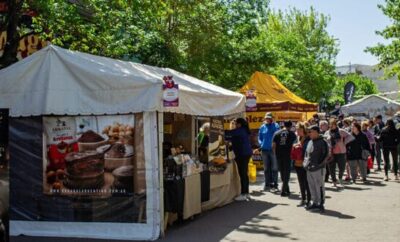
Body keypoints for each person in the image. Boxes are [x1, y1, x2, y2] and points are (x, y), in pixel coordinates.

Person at [225, 118, 253, 201]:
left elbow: (229, 133)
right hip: (245, 153)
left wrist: (218, 130)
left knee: (243, 173)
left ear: (240, 124)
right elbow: (232, 138)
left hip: (242, 154)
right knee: (244, 173)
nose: (235, 125)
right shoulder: (243, 130)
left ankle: (244, 194)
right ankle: (246, 193)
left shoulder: (240, 130)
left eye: (236, 123)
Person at [303, 125, 329, 213]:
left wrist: (319, 165)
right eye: (309, 132)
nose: (309, 133)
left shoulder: (323, 142)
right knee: (312, 186)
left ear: (317, 132)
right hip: (309, 168)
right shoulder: (310, 141)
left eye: (311, 131)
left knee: (320, 186)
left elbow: (326, 155)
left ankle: (321, 203)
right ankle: (314, 202)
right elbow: (307, 154)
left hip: (319, 168)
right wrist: (305, 164)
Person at [324, 118, 354, 188]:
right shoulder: (327, 132)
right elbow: (325, 140)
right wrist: (328, 140)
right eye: (330, 125)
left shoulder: (341, 131)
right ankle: (334, 181)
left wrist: (344, 142)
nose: (331, 126)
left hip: (341, 152)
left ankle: (340, 177)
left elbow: (350, 136)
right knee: (331, 168)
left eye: (332, 125)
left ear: (335, 124)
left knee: (342, 167)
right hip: (331, 152)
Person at [273, 120, 297, 197]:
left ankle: (287, 189)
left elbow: (273, 145)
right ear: (290, 126)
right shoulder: (292, 134)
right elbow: (295, 144)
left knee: (282, 173)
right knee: (287, 173)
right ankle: (283, 191)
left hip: (279, 155)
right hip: (288, 155)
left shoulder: (276, 133)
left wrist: (275, 154)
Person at [259, 112, 280, 192]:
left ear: (272, 118)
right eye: (266, 118)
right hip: (264, 150)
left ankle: (275, 185)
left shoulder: (276, 126)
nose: (267, 119)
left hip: (273, 150)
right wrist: (261, 144)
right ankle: (267, 184)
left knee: (274, 168)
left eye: (269, 118)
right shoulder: (262, 127)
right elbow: (260, 137)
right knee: (266, 168)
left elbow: (277, 136)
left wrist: (272, 124)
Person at [292, 122, 311, 206]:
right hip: (298, 163)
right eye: (297, 129)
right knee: (301, 182)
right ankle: (303, 199)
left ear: (304, 130)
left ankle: (309, 200)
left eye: (299, 129)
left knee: (307, 182)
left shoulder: (308, 139)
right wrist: (295, 146)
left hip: (306, 163)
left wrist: (299, 147)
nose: (298, 131)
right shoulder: (298, 138)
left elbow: (308, 151)